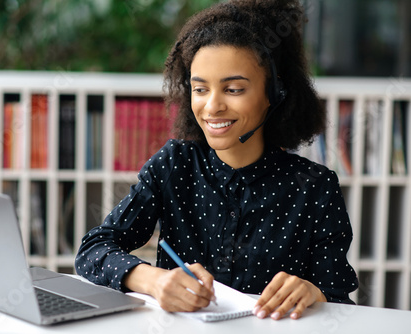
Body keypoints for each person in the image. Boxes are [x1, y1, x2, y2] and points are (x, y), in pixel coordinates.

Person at [75, 0, 358, 321]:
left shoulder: (316, 187)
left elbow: (338, 298)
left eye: (233, 89)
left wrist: (314, 292)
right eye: (200, 89)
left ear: (274, 93)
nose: (212, 107)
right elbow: (94, 249)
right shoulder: (173, 165)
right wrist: (154, 280)